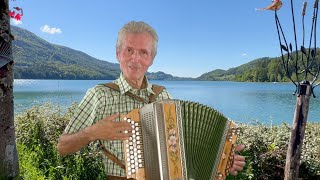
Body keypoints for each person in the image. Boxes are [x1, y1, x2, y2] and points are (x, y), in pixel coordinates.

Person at [57, 21, 246, 178]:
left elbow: (182, 153)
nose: (135, 59)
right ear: (118, 54)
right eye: (129, 50)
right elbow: (62, 147)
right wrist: (92, 133)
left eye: (143, 52)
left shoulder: (163, 96)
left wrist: (222, 160)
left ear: (152, 59)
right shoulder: (100, 95)